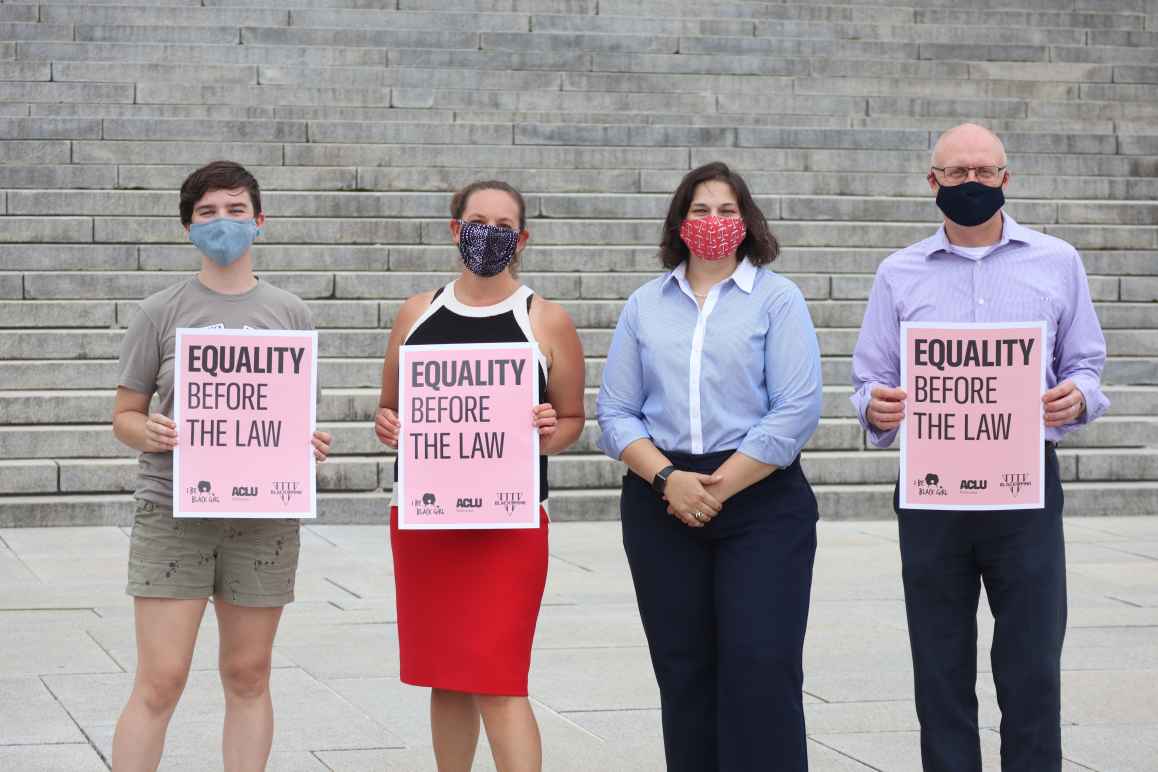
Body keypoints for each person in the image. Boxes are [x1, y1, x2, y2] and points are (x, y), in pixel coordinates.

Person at [851, 123, 1109, 772]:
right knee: (939, 670)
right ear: (932, 182)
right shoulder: (897, 273)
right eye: (957, 172)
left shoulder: (1057, 262)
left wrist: (1076, 397)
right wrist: (876, 408)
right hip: (932, 493)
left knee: (1031, 668)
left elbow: (1086, 365)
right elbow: (869, 381)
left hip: (1023, 491)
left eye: (984, 172)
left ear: (1006, 180)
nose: (972, 182)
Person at [596, 161, 823, 771]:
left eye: (727, 210)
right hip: (661, 498)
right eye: (701, 210)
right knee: (683, 668)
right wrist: (671, 481)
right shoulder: (646, 304)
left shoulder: (777, 299)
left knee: (762, 664)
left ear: (747, 222)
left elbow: (796, 408)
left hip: (760, 500)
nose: (714, 222)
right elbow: (616, 412)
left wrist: (717, 488)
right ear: (679, 221)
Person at [110, 160, 333, 772]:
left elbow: (294, 418)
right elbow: (125, 413)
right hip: (172, 509)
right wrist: (149, 430)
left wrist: (307, 444)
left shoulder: (290, 313)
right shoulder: (161, 311)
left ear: (259, 222)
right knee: (160, 679)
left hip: (264, 516)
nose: (223, 222)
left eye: (236, 209)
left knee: (249, 674)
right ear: (188, 227)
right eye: (207, 212)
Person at [374, 180, 585, 772]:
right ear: (454, 229)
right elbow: (389, 408)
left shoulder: (546, 320)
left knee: (498, 679)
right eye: (476, 220)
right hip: (428, 519)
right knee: (446, 676)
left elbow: (571, 420)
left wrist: (550, 430)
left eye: (501, 224)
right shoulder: (418, 312)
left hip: (509, 525)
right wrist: (388, 424)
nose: (487, 233)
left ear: (521, 238)